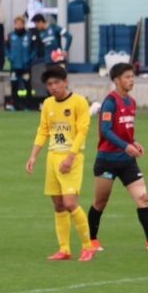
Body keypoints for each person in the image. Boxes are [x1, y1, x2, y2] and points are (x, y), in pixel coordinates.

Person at [87, 63, 148, 252]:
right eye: (127, 77)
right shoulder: (110, 102)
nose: (131, 80)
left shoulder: (131, 102)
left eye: (132, 76)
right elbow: (106, 130)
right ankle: (91, 240)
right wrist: (126, 146)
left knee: (143, 197)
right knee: (100, 202)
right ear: (117, 80)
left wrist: (134, 141)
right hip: (107, 161)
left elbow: (124, 130)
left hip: (127, 162)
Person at [25, 65, 96, 262]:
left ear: (66, 82)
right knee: (58, 204)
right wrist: (33, 156)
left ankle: (88, 246)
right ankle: (64, 249)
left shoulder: (79, 102)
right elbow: (43, 130)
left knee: (70, 203)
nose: (53, 87)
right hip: (53, 157)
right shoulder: (48, 104)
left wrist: (71, 157)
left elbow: (82, 131)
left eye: (57, 82)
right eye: (49, 84)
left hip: (71, 157)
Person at [6, 15, 38, 110]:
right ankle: (15, 105)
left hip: (26, 65)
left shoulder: (29, 35)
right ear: (15, 24)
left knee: (27, 85)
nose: (19, 25)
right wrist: (10, 57)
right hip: (14, 65)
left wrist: (30, 58)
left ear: (24, 24)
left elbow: (35, 48)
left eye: (20, 24)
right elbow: (5, 48)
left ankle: (28, 105)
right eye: (17, 24)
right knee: (14, 85)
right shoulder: (11, 35)